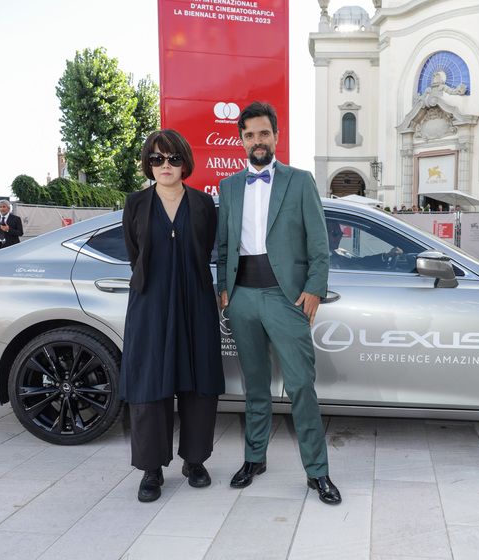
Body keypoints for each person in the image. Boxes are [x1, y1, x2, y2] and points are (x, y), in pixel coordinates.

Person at [217, 101, 341, 505]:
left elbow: (319, 245)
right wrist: (224, 289)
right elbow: (223, 244)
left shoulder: (300, 180)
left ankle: (317, 472)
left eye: (263, 133)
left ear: (275, 136)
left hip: (287, 299)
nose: (257, 141)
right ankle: (255, 458)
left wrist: (314, 289)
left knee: (302, 384)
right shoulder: (230, 186)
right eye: (249, 135)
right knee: (255, 386)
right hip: (243, 299)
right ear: (241, 140)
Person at [121, 129, 225, 503]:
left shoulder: (202, 204)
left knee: (199, 382)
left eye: (173, 158)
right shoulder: (135, 203)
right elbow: (136, 255)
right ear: (149, 164)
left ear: (185, 163)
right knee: (150, 384)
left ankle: (194, 461)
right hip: (150, 305)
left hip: (195, 302)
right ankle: (152, 469)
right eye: (157, 159)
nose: (165, 165)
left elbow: (211, 250)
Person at [327, 220, 402, 271]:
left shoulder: (336, 256)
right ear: (324, 234)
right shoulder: (320, 259)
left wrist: (386, 255)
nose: (339, 237)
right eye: (335, 233)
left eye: (341, 234)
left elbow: (359, 262)